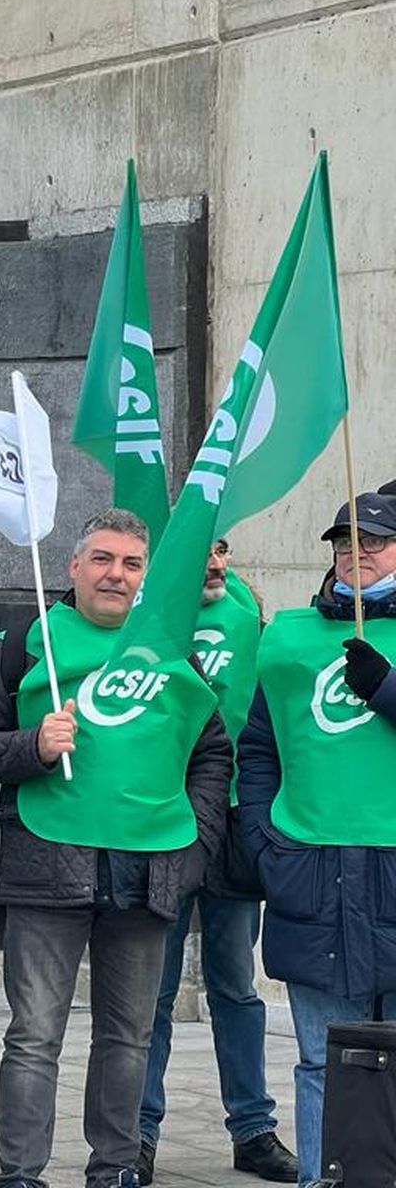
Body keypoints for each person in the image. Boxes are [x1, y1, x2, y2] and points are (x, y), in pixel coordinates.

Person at [0, 508, 231, 1188]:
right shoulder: (25, 644)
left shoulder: (171, 648)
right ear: (73, 568)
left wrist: (193, 845)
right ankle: (20, 1175)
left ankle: (113, 1170)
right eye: (103, 559)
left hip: (147, 871)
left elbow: (212, 751)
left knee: (129, 1039)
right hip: (49, 867)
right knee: (34, 1036)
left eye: (132, 563)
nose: (117, 574)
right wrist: (33, 747)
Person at [237, 492, 396, 1186]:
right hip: (313, 872)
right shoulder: (290, 636)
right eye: (343, 541)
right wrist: (267, 840)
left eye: (375, 541)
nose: (356, 552)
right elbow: (257, 748)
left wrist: (386, 688)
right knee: (320, 1057)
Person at [138, 540, 296, 1185]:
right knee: (152, 992)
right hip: (165, 823)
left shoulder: (254, 620)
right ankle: (137, 1133)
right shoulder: (145, 617)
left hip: (231, 824)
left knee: (235, 986)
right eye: (201, 549)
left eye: (223, 549)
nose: (213, 563)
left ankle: (253, 1130)